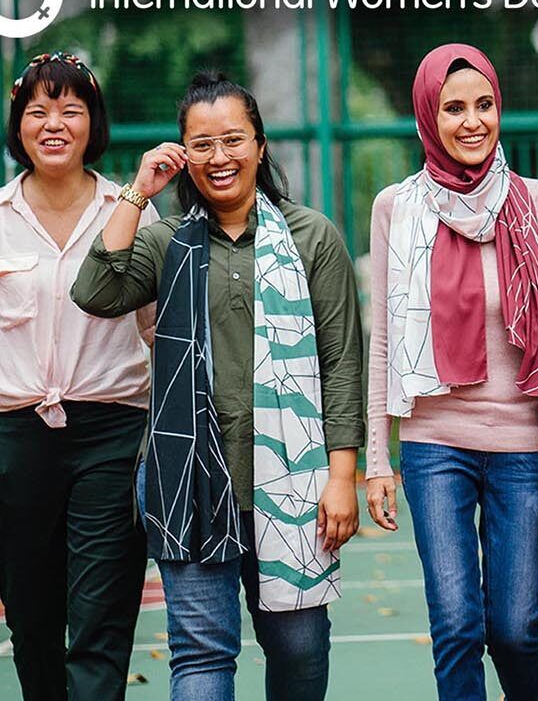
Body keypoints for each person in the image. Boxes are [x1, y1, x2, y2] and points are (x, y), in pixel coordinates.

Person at [72, 71, 363, 701]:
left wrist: (342, 477)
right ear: (182, 156)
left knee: (300, 648)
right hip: (187, 479)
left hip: (293, 483)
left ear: (260, 146)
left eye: (233, 140)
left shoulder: (312, 238)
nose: (219, 157)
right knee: (201, 655)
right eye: (200, 145)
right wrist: (137, 192)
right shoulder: (165, 242)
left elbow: (342, 363)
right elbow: (94, 292)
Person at [361, 44, 538, 700]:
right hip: (434, 445)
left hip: (524, 447)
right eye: (453, 108)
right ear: (429, 115)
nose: (471, 120)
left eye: (484, 104)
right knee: (455, 623)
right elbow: (384, 338)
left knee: (515, 627)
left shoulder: (537, 202)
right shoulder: (397, 208)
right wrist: (376, 459)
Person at [0, 52, 153, 701]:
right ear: (19, 125)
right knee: (33, 623)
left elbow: (161, 334)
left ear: (94, 121)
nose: (54, 122)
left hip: (113, 440)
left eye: (71, 108)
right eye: (38, 110)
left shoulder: (131, 214)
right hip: (17, 442)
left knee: (101, 621)